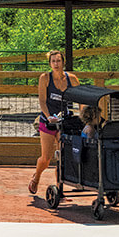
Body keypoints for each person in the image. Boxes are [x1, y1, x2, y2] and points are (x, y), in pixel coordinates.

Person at [28, 49, 79, 195]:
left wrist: (84, 115)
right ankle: (36, 177)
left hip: (65, 122)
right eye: (53, 61)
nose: (56, 64)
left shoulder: (72, 79)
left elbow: (81, 99)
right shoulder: (45, 78)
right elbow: (42, 101)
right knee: (46, 158)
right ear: (50, 63)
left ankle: (59, 189)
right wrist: (49, 116)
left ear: (63, 62)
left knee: (63, 156)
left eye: (58, 61)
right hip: (48, 121)